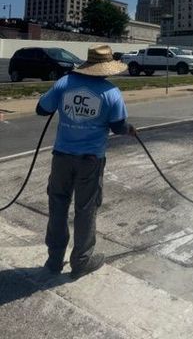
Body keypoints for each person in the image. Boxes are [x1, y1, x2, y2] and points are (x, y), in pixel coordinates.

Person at [36, 44, 137, 279]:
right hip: (90, 161)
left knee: (58, 206)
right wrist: (130, 130)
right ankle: (81, 260)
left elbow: (41, 108)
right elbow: (118, 126)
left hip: (61, 157)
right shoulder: (111, 93)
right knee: (86, 209)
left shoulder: (64, 83)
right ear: (106, 68)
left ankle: (54, 258)